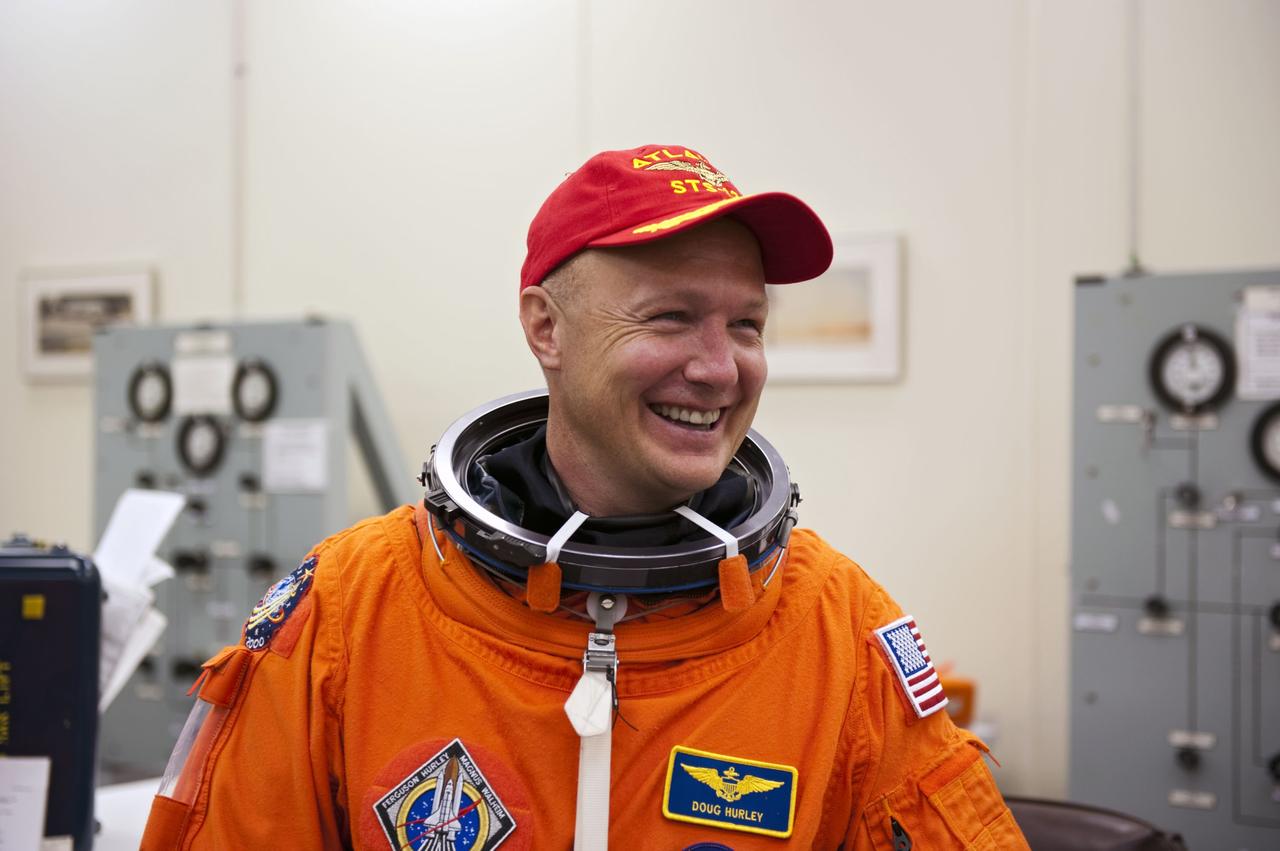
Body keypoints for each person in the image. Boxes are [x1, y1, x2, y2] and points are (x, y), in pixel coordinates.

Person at [141, 144, 1028, 849]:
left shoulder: (838, 632)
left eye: (746, 324)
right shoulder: (350, 610)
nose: (720, 368)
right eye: (671, 316)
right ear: (546, 328)